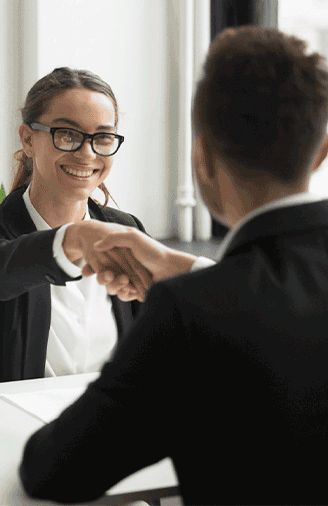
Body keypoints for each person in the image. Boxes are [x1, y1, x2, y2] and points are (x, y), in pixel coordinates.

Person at [20, 26, 328, 504]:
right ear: (321, 151)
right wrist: (184, 269)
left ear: (200, 158)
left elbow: (54, 469)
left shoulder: (192, 314)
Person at [0, 67, 179, 385]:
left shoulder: (125, 228)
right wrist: (76, 238)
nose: (86, 153)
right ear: (28, 139)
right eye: (67, 134)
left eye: (103, 137)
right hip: (11, 430)